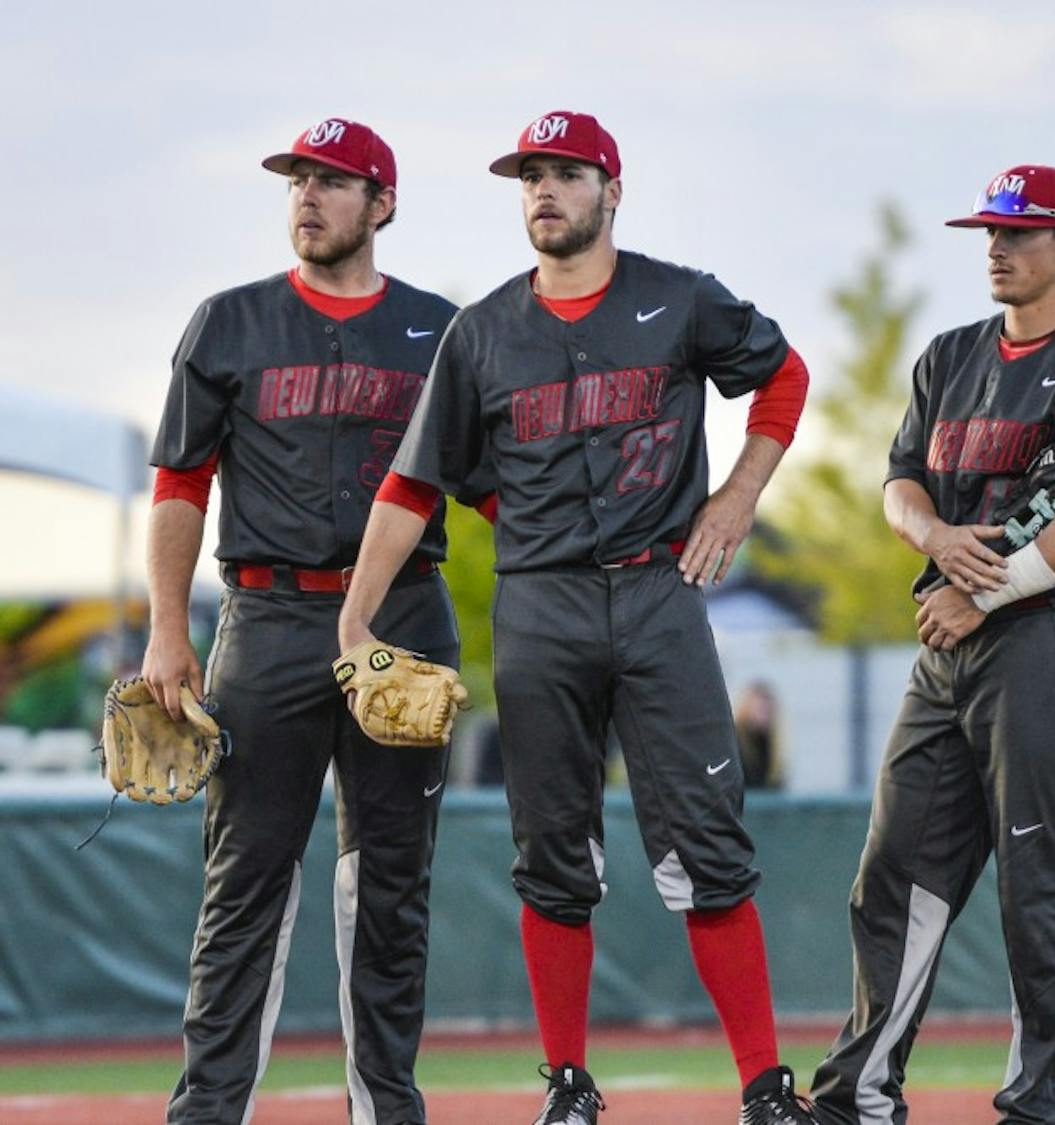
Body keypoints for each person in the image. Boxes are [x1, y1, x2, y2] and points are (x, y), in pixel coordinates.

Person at [336, 109, 816, 1125]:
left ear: (613, 187)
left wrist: (736, 498)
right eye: (528, 176)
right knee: (552, 856)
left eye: (564, 172)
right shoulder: (482, 332)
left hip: (658, 593)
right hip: (542, 604)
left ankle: (766, 1086)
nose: (543, 190)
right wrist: (353, 621)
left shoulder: (678, 298)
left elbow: (783, 374)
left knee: (710, 848)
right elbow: (418, 482)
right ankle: (568, 1084)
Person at [810, 166, 1055, 1125]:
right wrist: (933, 541)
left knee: (1035, 885)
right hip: (950, 648)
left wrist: (986, 591)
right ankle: (859, 1095)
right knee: (894, 872)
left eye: (1021, 232)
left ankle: (1032, 1107)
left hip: (1043, 636)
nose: (997, 247)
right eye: (990, 233)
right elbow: (900, 483)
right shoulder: (949, 355)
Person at [143, 117, 480, 1124]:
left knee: (389, 888)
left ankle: (386, 1106)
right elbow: (178, 480)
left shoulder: (442, 330)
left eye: (333, 182)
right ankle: (208, 1110)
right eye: (297, 180)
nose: (307, 196)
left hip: (401, 620)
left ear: (381, 205)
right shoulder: (230, 322)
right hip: (266, 617)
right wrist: (169, 630)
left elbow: (499, 486)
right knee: (244, 883)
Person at [733, 680, 783, 790]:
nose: (765, 716)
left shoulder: (770, 742)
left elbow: (776, 781)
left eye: (768, 711)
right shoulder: (734, 741)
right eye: (761, 709)